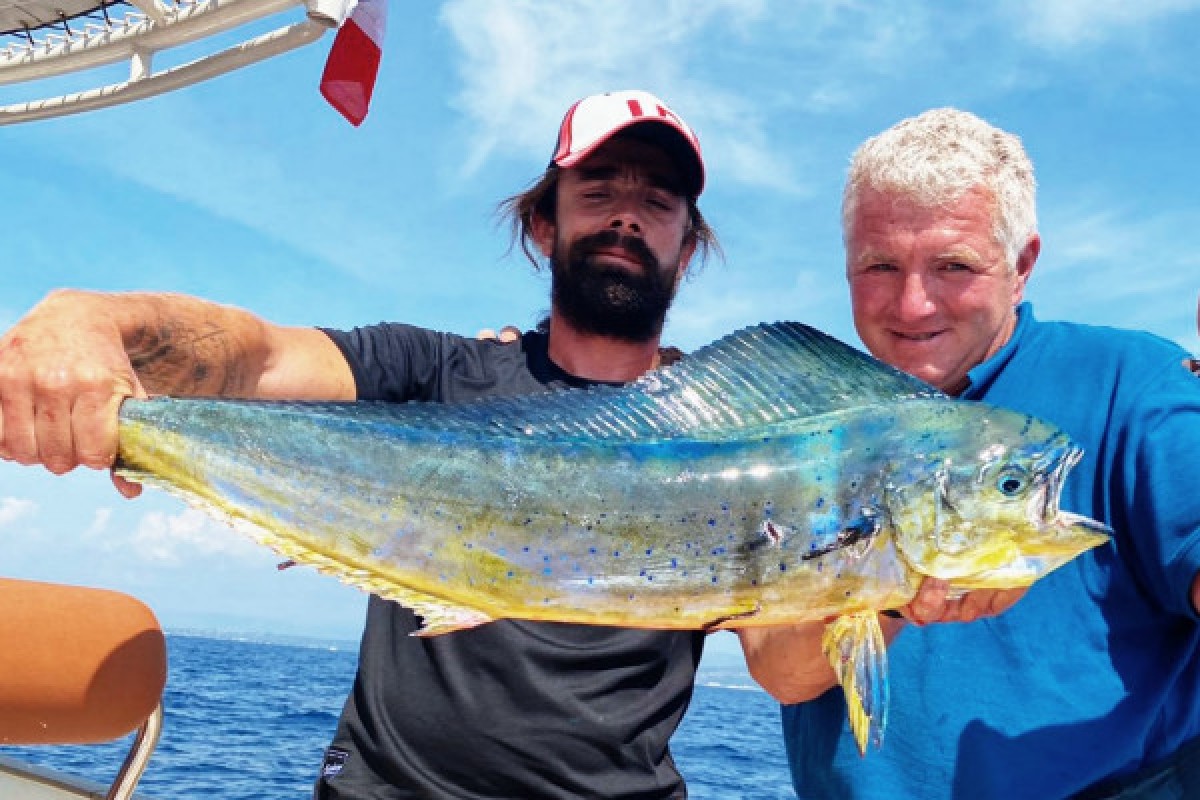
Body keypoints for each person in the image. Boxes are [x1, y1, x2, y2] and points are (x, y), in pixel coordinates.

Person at [0, 89, 722, 799]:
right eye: (597, 192)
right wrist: (91, 318)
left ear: (686, 247)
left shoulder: (731, 442)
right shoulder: (436, 373)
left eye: (658, 203)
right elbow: (261, 357)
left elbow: (784, 673)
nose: (628, 216)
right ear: (542, 225)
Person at [745, 108, 1200, 799]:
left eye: (953, 266)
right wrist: (894, 597)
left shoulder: (1136, 386)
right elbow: (781, 670)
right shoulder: (803, 427)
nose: (914, 303)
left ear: (1021, 267)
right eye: (880, 266)